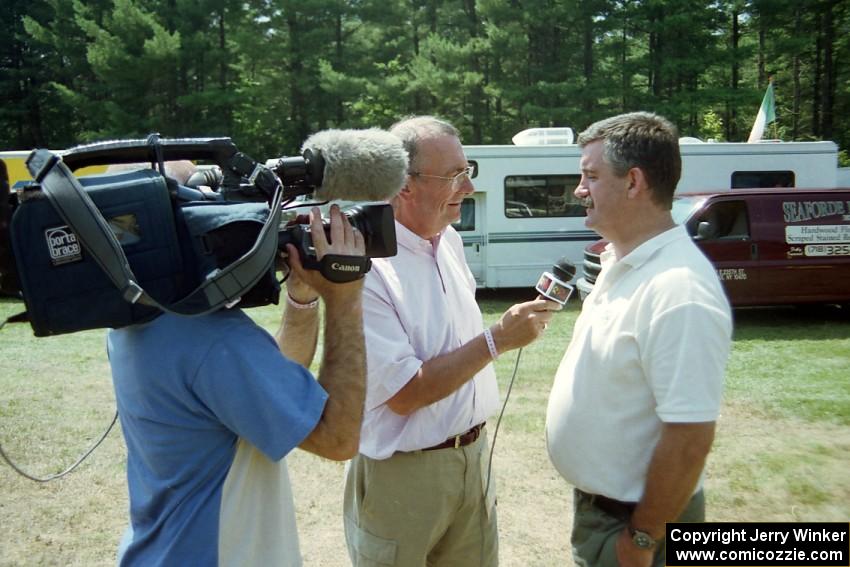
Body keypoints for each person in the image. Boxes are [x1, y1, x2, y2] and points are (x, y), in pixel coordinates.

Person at [344, 115, 562, 566]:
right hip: (404, 476)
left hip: (473, 457)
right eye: (454, 176)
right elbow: (405, 394)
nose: (467, 187)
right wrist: (498, 339)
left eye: (469, 171)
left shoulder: (451, 241)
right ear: (404, 184)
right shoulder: (367, 269)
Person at [108, 205, 367, 566]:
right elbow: (337, 438)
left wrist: (302, 297)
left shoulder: (143, 318)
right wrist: (345, 299)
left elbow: (271, 391)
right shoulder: (211, 337)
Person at [545, 112, 733, 567]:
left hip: (642, 529)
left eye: (590, 176)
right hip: (606, 515)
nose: (578, 189)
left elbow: (689, 439)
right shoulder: (624, 262)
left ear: (633, 182)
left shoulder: (678, 289)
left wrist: (642, 541)